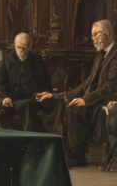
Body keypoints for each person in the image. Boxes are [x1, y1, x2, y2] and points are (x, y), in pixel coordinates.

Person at [43, 19, 117, 166]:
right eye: (93, 35)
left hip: (108, 99)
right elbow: (86, 84)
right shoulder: (101, 55)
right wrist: (58, 96)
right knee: (71, 107)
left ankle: (76, 156)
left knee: (76, 111)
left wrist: (86, 100)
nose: (94, 39)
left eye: (96, 34)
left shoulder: (115, 55)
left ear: (107, 34)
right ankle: (74, 154)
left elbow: (109, 87)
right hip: (96, 98)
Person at [0, 33, 53, 131]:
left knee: (30, 108)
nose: (21, 50)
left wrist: (44, 93)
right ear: (14, 45)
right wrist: (5, 97)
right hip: (12, 99)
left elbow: (46, 84)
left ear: (30, 47)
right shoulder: (8, 60)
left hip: (32, 99)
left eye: (24, 48)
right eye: (18, 47)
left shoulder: (37, 61)